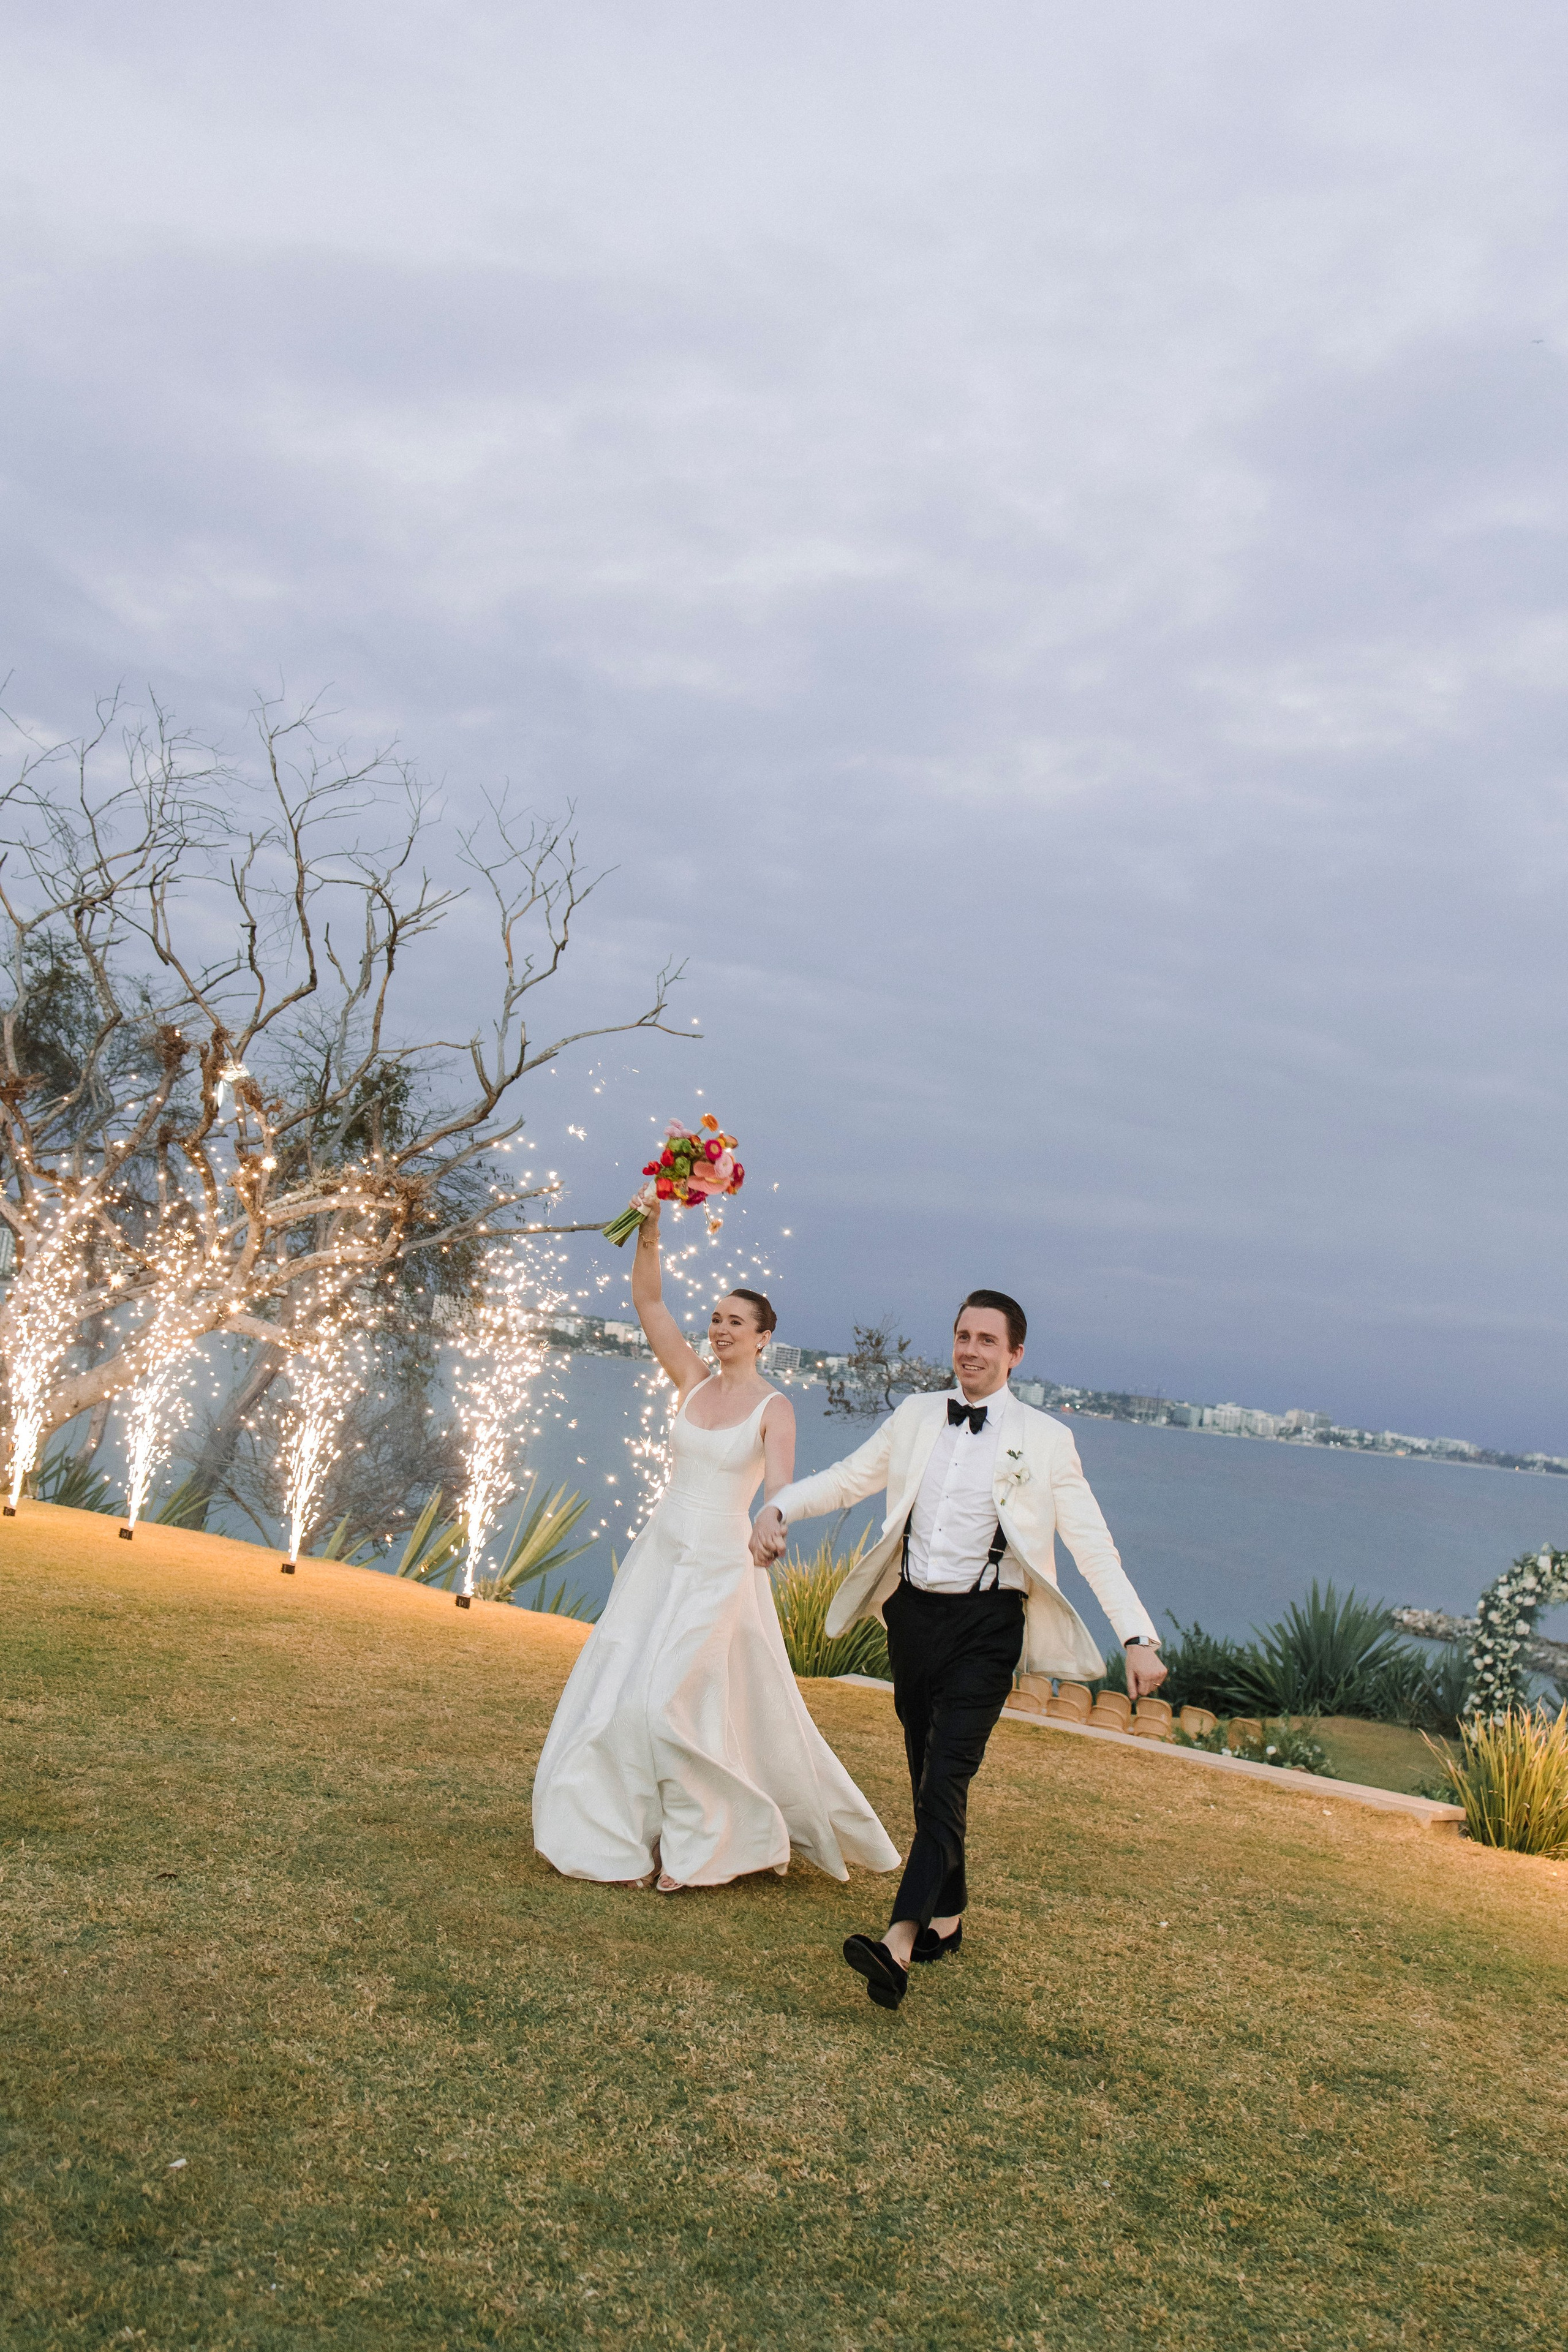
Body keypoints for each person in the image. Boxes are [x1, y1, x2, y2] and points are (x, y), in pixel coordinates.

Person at [750, 1289, 1166, 2010]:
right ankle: (948, 1917)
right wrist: (779, 1504)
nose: (969, 1350)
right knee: (926, 1776)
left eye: (985, 1340)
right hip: (913, 1619)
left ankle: (898, 1945)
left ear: (1014, 1355)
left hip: (989, 1625)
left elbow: (1091, 1543)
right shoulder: (917, 1416)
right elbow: (851, 1478)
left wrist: (1137, 1635)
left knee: (946, 1776)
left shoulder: (1044, 1439)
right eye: (961, 1336)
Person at [532, 1198, 900, 1893]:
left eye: (735, 1321)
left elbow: (781, 1485)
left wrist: (774, 1521)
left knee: (671, 1697)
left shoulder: (774, 1408)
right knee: (621, 1689)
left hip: (722, 1566)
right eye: (716, 1318)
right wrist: (649, 1230)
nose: (719, 1329)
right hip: (661, 1554)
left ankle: (704, 1845)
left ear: (763, 1337)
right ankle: (618, 1833)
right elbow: (648, 1302)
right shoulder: (693, 1383)